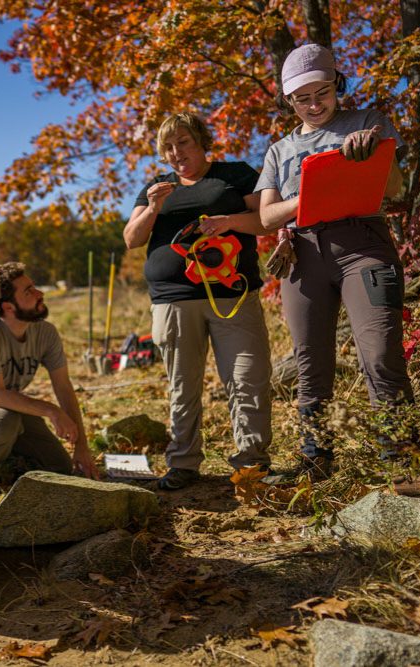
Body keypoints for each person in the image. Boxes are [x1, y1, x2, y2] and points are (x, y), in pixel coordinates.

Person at [256, 43, 414, 474]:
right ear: (289, 101)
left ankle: (402, 455)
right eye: (301, 98)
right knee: (310, 360)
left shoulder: (367, 123)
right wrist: (311, 190)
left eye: (321, 93)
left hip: (362, 247)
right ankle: (316, 456)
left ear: (337, 85)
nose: (313, 104)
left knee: (380, 349)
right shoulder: (278, 151)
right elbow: (268, 215)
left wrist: (372, 152)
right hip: (303, 255)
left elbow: (394, 187)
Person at [124, 112, 274, 490]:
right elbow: (132, 239)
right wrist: (154, 207)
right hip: (173, 300)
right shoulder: (156, 187)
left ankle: (251, 465)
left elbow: (267, 220)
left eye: (184, 142)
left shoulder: (236, 174)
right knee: (182, 384)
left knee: (247, 377)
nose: (176, 153)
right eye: (168, 147)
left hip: (233, 294)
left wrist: (229, 222)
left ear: (201, 141)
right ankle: (183, 464)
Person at [0, 262, 100, 485]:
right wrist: (51, 411)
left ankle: (9, 457)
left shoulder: (46, 333)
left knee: (59, 466)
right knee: (3, 420)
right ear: (9, 307)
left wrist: (81, 448)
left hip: (11, 408)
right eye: (29, 291)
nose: (40, 293)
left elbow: (63, 387)